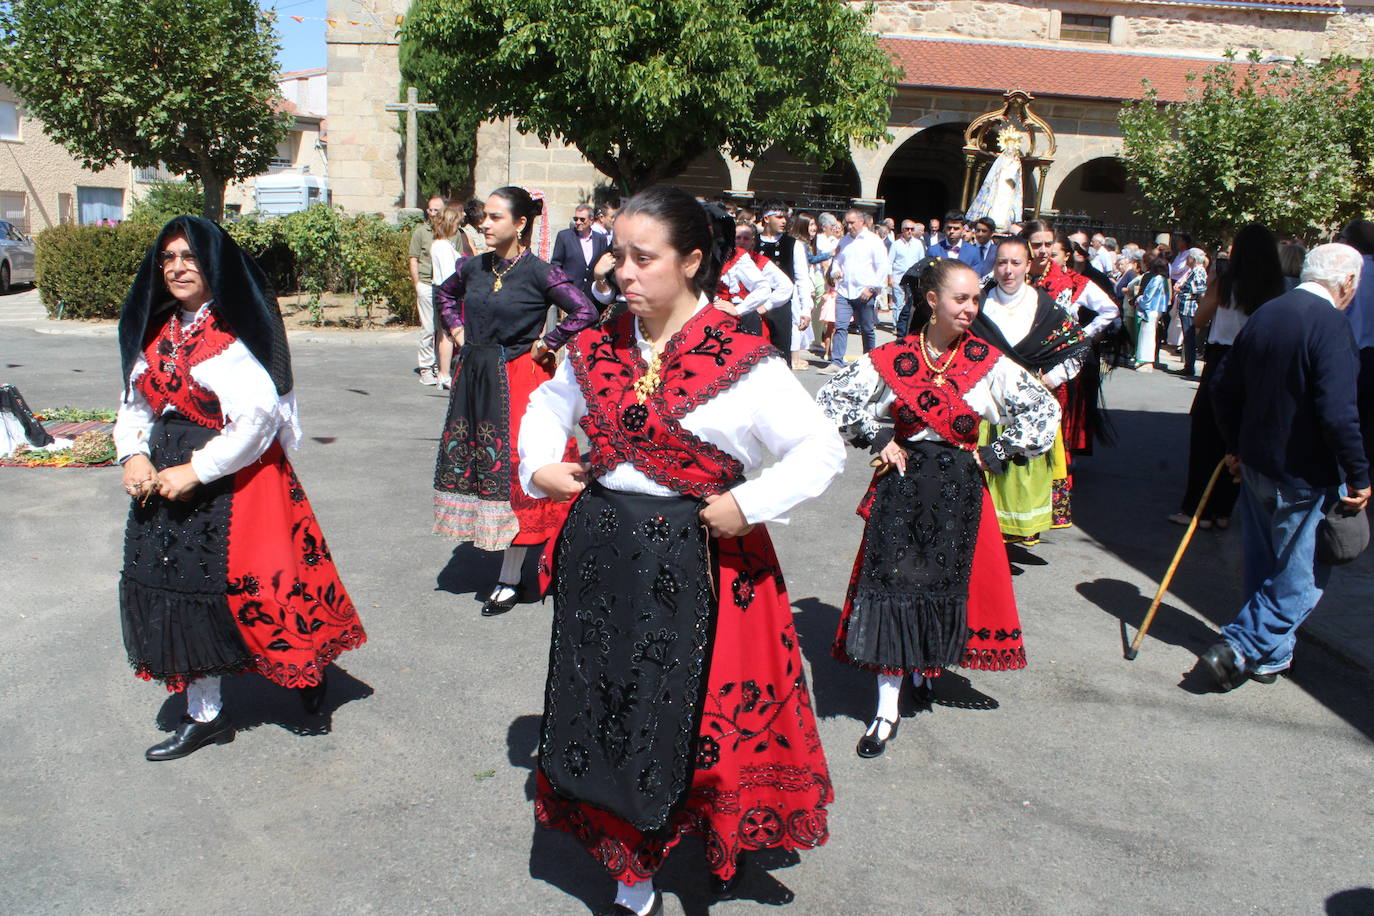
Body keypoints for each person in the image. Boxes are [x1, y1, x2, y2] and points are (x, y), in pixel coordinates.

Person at [520, 186, 843, 916]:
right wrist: (540, 463)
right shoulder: (597, 344)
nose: (622, 272)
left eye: (643, 258)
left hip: (703, 561)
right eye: (617, 256)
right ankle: (631, 871)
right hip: (604, 559)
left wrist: (747, 505)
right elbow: (547, 406)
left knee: (697, 722)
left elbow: (819, 449)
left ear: (692, 261)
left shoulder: (743, 357)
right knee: (614, 709)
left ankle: (713, 837)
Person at [114, 216, 367, 760]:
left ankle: (305, 670)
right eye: (169, 258)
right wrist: (133, 453)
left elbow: (257, 420)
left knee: (266, 592)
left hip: (237, 481)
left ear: (214, 268)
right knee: (179, 594)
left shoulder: (230, 336)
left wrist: (197, 472)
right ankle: (205, 714)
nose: (178, 268)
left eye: (190, 258)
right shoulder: (158, 331)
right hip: (164, 476)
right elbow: (134, 404)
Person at [817, 258, 1057, 758]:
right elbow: (833, 398)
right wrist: (877, 436)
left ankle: (925, 669)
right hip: (902, 489)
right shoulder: (893, 357)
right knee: (892, 591)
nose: (971, 308)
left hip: (958, 492)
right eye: (961, 299)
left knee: (940, 590)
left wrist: (995, 451)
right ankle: (886, 709)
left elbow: (1043, 409)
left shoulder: (987, 362)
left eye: (975, 299)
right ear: (932, 301)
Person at [1203, 243, 1371, 690]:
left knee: (1264, 565)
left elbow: (1223, 387)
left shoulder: (1268, 313)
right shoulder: (1331, 325)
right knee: (1302, 576)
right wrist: (1359, 474)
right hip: (1302, 472)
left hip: (1258, 462)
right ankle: (1239, 646)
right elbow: (1338, 411)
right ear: (1348, 283)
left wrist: (1236, 445)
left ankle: (1269, 657)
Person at [432, 186, 599, 616]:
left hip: (521, 378)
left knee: (518, 469)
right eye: (482, 217)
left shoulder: (540, 272)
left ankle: (511, 576)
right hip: (478, 376)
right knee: (484, 466)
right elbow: (444, 295)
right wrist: (458, 332)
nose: (484, 224)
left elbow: (584, 311)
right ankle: (508, 558)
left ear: (520, 223)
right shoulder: (471, 268)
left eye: (494, 218)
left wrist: (549, 340)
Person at [974, 237, 1091, 542]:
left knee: (1021, 472)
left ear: (1028, 265)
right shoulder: (978, 304)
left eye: (1015, 263)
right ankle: (985, 536)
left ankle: (1015, 531)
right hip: (985, 403)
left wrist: (1049, 381)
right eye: (1001, 262)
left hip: (1026, 405)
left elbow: (1078, 347)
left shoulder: (1045, 307)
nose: (1008, 270)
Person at [1171, 224, 1285, 530]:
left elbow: (1199, 319)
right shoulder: (1276, 286)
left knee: (1207, 434)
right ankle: (1223, 510)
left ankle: (1197, 510)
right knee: (1238, 437)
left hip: (1224, 358)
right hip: (1256, 361)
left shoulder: (1225, 281)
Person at [822, 209, 889, 374]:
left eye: (852, 222)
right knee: (841, 326)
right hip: (845, 290)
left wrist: (872, 288)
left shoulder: (873, 240)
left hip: (865, 292)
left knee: (867, 328)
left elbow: (882, 266)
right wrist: (834, 271)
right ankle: (837, 361)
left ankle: (870, 360)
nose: (849, 226)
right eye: (847, 222)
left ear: (861, 222)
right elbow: (837, 261)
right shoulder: (844, 241)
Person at [753, 199, 807, 361]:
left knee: (781, 353)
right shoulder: (752, 241)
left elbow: (802, 277)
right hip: (754, 303)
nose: (784, 221)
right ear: (766, 218)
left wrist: (805, 309)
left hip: (781, 305)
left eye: (785, 217)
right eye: (778, 217)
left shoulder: (792, 244)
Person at [431, 205, 472, 389]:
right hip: (447, 293)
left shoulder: (443, 244)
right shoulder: (441, 246)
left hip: (444, 292)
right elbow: (449, 274)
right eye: (455, 223)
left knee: (445, 333)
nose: (457, 226)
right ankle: (445, 373)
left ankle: (445, 372)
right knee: (448, 334)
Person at [408, 195, 446, 386]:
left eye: (436, 210)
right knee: (428, 329)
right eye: (429, 210)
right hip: (426, 284)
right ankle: (426, 367)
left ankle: (442, 367)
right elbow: (413, 258)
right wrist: (417, 283)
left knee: (445, 330)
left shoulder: (451, 232)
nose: (431, 214)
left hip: (445, 287)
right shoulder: (421, 232)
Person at [551, 203, 611, 299]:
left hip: (592, 296)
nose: (578, 222)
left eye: (582, 219)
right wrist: (561, 289)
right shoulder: (564, 236)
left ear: (591, 220)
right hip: (570, 294)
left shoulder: (601, 239)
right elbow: (556, 265)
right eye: (576, 219)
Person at [1172, 248, 1208, 377]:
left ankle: (1189, 366)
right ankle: (1188, 365)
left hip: (1190, 308)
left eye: (1188, 257)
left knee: (1189, 338)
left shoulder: (1198, 271)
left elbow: (1200, 291)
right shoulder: (1194, 271)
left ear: (1193, 258)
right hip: (1186, 308)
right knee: (1188, 338)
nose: (1186, 260)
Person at [888, 219, 926, 334]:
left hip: (913, 279)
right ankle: (897, 325)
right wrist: (890, 277)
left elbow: (922, 261)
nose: (909, 231)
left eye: (912, 229)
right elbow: (889, 262)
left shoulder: (918, 244)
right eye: (907, 229)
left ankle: (906, 325)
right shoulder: (896, 244)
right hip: (898, 277)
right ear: (902, 230)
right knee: (898, 302)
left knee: (909, 302)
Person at [1133, 258, 1171, 371]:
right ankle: (1145, 359)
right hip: (1158, 310)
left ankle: (1145, 359)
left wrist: (1139, 299)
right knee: (1149, 334)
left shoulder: (1156, 279)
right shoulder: (1164, 280)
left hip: (1150, 310)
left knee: (1146, 335)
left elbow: (1148, 296)